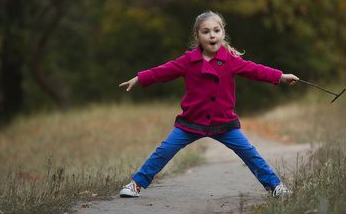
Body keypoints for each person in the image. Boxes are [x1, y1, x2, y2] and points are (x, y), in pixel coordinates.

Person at [118, 11, 299, 198]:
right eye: (206, 32)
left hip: (224, 123)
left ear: (222, 33)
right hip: (190, 122)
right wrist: (140, 78)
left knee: (250, 153)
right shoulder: (188, 61)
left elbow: (255, 70)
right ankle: (135, 184)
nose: (212, 35)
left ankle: (276, 187)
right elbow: (164, 71)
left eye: (216, 30)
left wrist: (280, 76)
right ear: (197, 37)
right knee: (164, 151)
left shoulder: (232, 60)